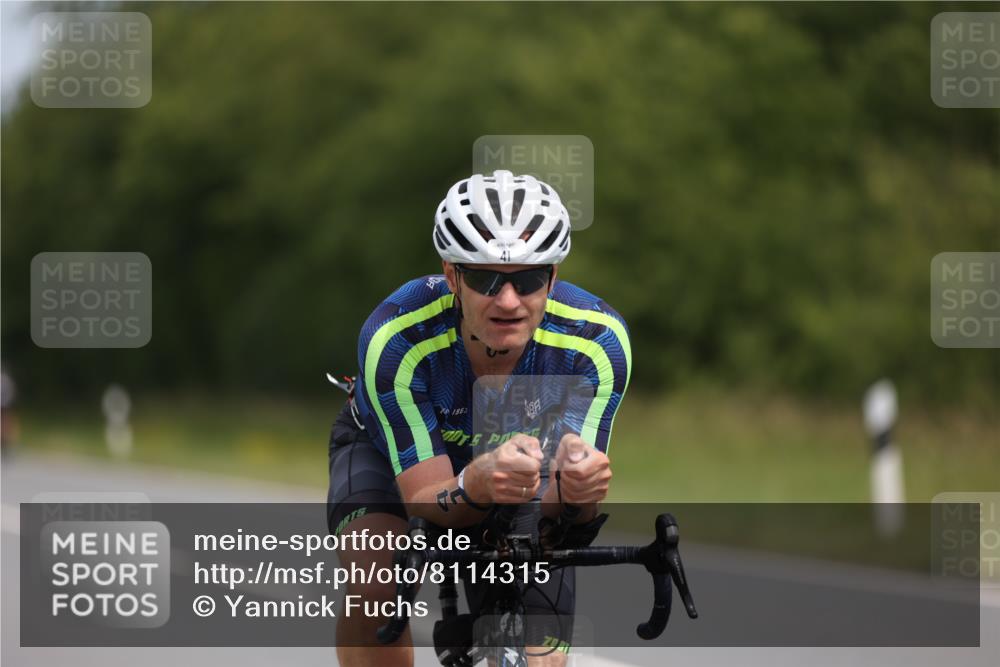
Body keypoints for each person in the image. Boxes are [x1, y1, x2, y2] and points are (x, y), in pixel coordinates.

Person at [327, 169, 631, 666]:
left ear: (553, 277)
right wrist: (474, 482)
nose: (507, 301)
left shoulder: (595, 343)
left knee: (541, 654)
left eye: (528, 279)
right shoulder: (396, 336)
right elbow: (425, 502)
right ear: (452, 276)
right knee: (376, 582)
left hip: (517, 470)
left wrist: (579, 495)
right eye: (484, 278)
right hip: (389, 457)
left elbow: (563, 520)